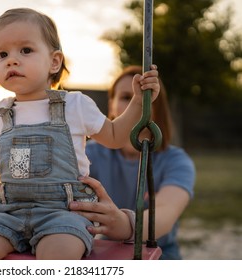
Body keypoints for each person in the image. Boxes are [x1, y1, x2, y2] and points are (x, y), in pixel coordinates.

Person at [0, 8, 160, 260]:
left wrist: (139, 104)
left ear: (54, 61)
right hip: (7, 212)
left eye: (25, 50)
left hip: (64, 212)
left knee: (58, 254)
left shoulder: (75, 105)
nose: (11, 60)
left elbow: (114, 136)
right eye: (2, 54)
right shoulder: (1, 110)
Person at [69, 65, 195, 259]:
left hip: (161, 255)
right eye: (126, 97)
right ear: (111, 105)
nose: (136, 103)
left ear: (156, 106)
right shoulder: (88, 153)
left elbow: (165, 212)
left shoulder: (176, 161)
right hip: (107, 252)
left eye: (144, 96)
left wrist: (126, 225)